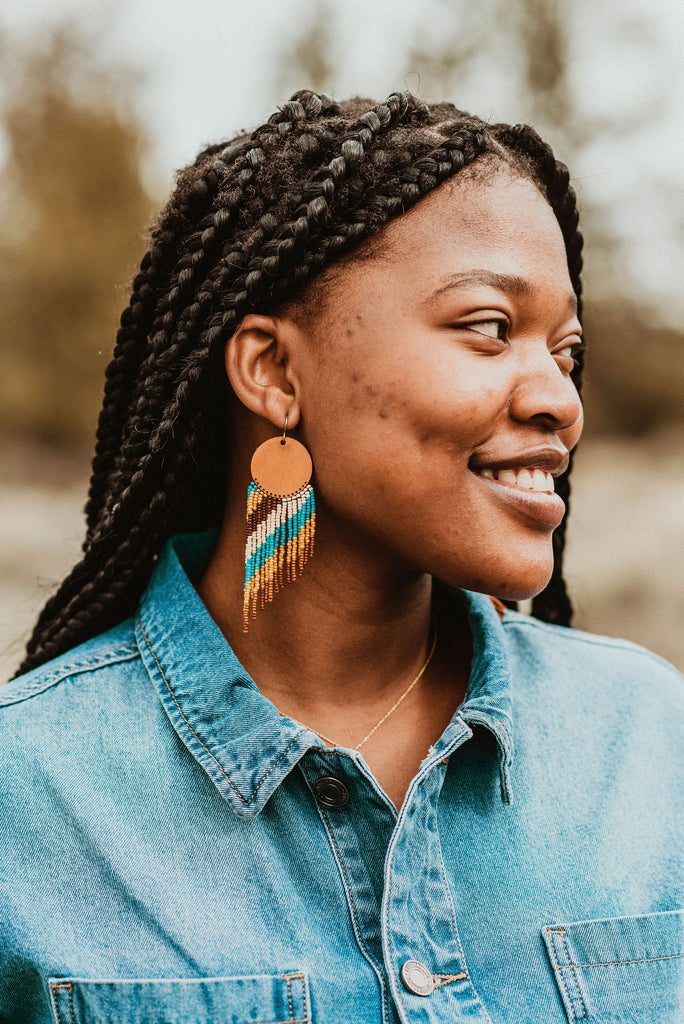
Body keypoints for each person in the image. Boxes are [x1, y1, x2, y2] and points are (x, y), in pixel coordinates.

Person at [1, 90, 682, 1024]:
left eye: (566, 351)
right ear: (275, 375)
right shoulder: (29, 796)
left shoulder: (650, 741)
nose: (560, 400)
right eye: (489, 327)